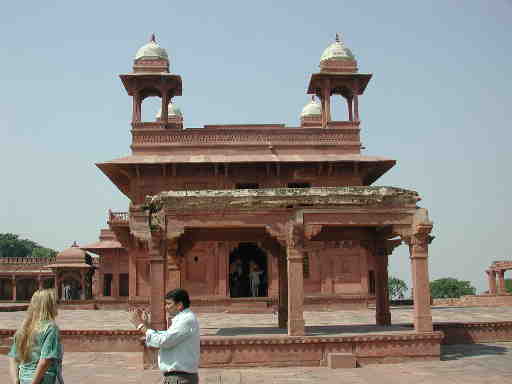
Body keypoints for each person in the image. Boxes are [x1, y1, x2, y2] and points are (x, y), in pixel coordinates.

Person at [129, 288, 200, 384]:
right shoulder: (182, 319)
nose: (166, 307)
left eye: (169, 304)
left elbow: (164, 341)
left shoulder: (186, 320)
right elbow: (165, 336)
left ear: (179, 305)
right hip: (176, 377)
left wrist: (140, 325)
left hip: (180, 378)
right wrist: (146, 325)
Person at [8, 289, 63, 384]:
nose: (57, 306)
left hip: (23, 379)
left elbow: (13, 357)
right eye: (55, 303)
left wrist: (16, 380)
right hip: (43, 379)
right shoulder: (50, 328)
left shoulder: (24, 327)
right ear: (49, 305)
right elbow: (44, 362)